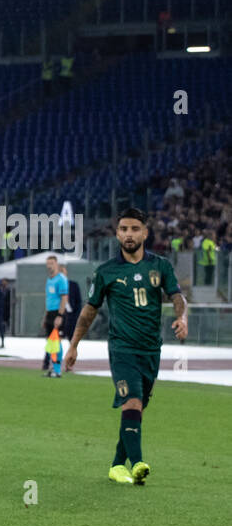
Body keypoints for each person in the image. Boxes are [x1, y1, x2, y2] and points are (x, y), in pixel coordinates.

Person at [65, 208, 186, 486]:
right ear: (117, 233)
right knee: (131, 401)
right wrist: (73, 346)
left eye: (134, 229)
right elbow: (88, 311)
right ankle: (138, 462)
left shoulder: (161, 266)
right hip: (122, 350)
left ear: (145, 232)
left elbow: (177, 296)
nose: (128, 234)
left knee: (137, 409)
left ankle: (117, 465)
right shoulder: (106, 272)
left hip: (151, 350)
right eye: (123, 229)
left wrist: (182, 317)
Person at [41, 254, 68, 372]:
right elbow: (48, 299)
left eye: (51, 263)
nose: (49, 266)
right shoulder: (49, 280)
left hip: (58, 313)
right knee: (50, 341)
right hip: (50, 313)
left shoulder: (61, 279)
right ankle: (52, 367)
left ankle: (57, 369)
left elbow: (64, 298)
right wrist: (45, 316)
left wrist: (60, 316)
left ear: (56, 264)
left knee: (57, 340)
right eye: (47, 264)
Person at [59, 263, 82, 339]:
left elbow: (78, 302)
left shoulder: (73, 285)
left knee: (72, 341)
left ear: (66, 272)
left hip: (72, 318)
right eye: (59, 271)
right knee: (56, 343)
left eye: (62, 271)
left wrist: (76, 316)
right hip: (59, 317)